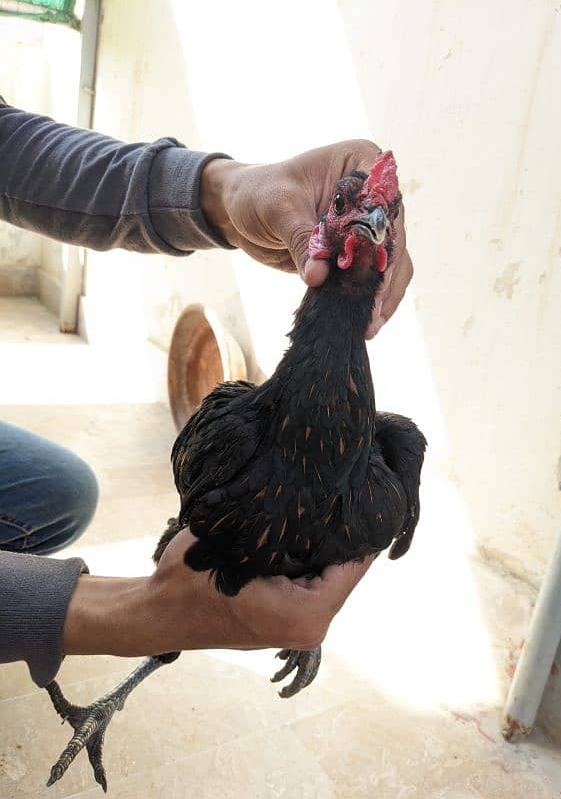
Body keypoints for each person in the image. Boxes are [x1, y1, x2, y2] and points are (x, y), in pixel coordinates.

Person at [0, 99, 414, 688]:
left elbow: (13, 147)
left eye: (382, 215)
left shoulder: (386, 470)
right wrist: (143, 614)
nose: (370, 221)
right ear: (330, 226)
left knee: (61, 494)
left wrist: (225, 189)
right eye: (349, 207)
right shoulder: (230, 432)